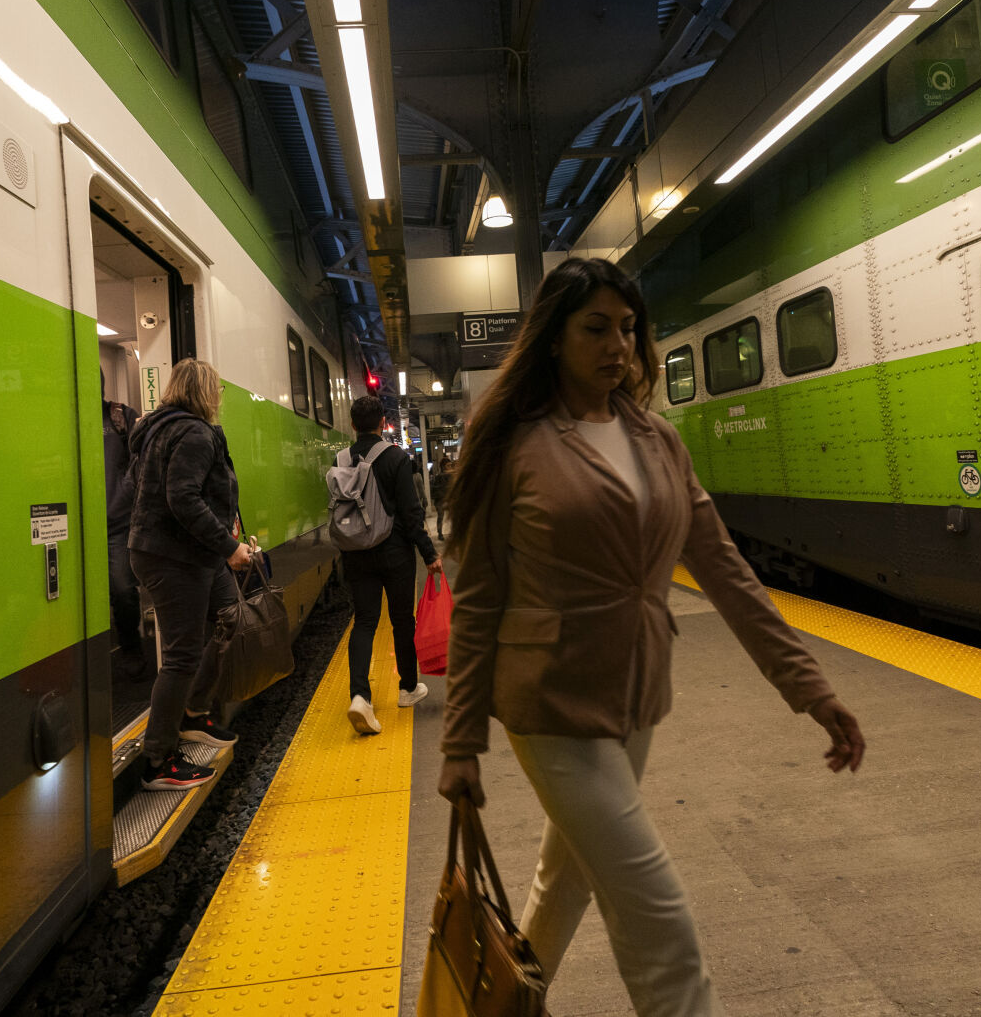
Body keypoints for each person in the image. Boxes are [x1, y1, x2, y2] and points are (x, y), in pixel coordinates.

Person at [436, 258, 865, 1017]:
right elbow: (476, 602)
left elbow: (725, 568)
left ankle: (501, 1009)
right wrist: (460, 744)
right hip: (550, 707)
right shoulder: (510, 445)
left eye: (628, 329)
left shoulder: (657, 440)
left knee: (563, 880)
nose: (618, 346)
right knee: (658, 915)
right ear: (553, 338)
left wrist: (809, 687)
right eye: (596, 328)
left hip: (634, 697)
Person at [126, 358, 254, 790]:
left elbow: (136, 486)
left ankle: (195, 713)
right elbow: (182, 497)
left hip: (184, 552)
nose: (219, 396)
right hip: (174, 556)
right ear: (205, 392)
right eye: (216, 389)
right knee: (182, 654)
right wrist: (230, 546)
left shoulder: (156, 429)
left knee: (230, 617)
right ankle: (157, 762)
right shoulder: (195, 433)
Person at [339, 395, 444, 736]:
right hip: (395, 552)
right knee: (402, 620)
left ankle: (359, 696)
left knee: (365, 622)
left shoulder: (341, 458)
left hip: (356, 553)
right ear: (383, 422)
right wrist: (429, 554)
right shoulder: (396, 457)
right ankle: (408, 688)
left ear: (353, 425)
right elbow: (412, 514)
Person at [101, 373, 147, 679]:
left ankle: (132, 650)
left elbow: (140, 462)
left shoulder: (120, 417)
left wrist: (122, 498)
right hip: (71, 528)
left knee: (122, 589)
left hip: (115, 523)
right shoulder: (59, 415)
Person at [429, 452, 453, 539]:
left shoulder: (451, 475)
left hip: (449, 500)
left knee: (451, 517)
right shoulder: (439, 476)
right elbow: (436, 489)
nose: (450, 467)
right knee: (441, 517)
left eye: (450, 465)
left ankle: (452, 533)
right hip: (441, 500)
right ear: (443, 466)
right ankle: (440, 533)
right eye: (448, 466)